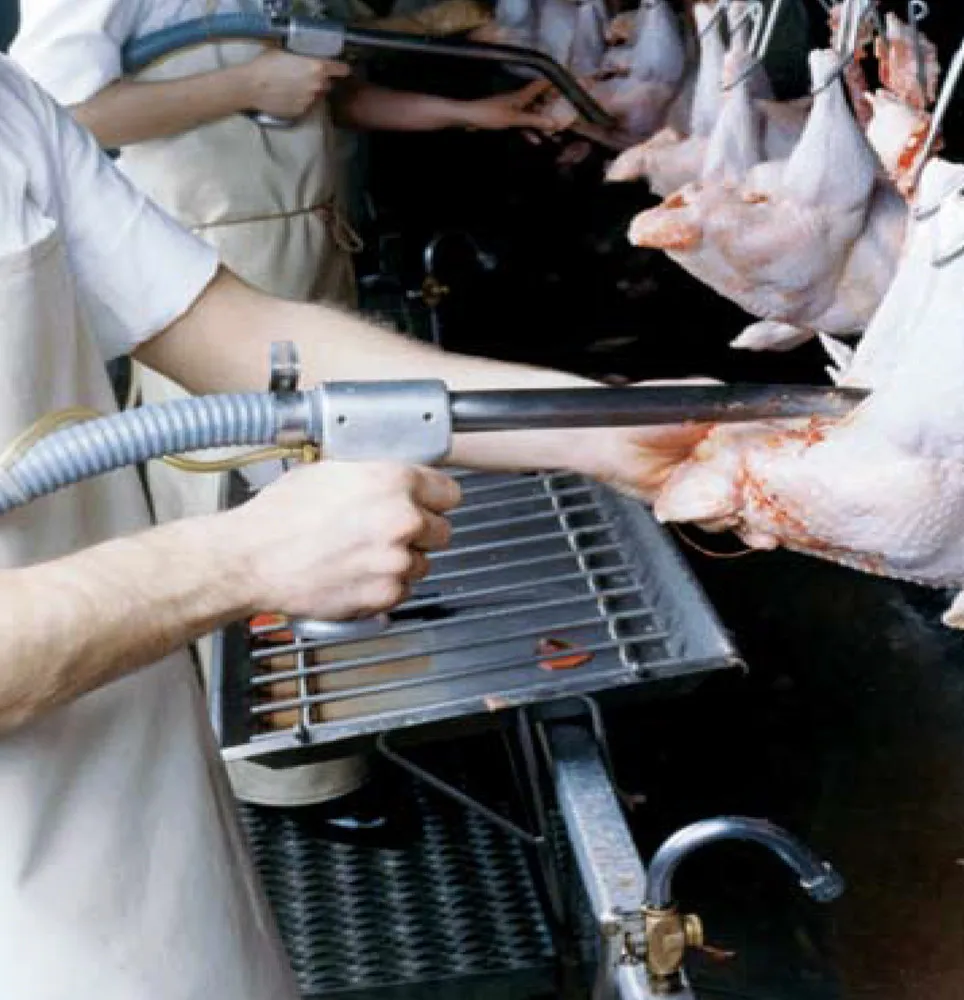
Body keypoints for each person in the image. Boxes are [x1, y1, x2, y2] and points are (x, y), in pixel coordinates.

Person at [0, 52, 706, 997]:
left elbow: (231, 331)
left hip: (141, 803)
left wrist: (593, 426)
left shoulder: (8, 106)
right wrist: (241, 557)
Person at [11, 0, 559, 809]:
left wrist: (471, 112)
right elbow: (70, 101)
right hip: (209, 248)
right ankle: (282, 774)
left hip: (300, 247)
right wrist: (241, 83)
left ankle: (335, 745)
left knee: (336, 512)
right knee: (237, 502)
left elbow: (324, 102)